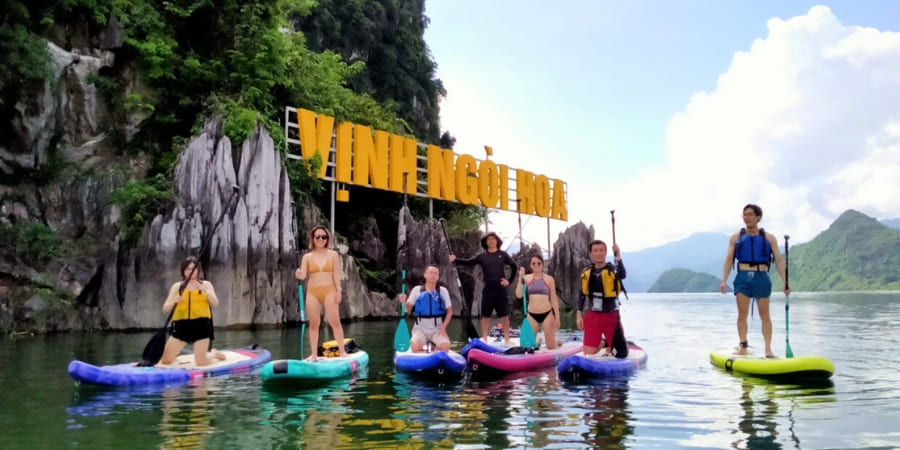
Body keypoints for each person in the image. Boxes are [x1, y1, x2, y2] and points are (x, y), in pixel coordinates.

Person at [719, 204, 789, 358]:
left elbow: (778, 260)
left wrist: (785, 282)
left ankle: (768, 350)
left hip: (761, 277)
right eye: (744, 214)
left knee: (765, 314)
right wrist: (724, 280)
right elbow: (729, 259)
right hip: (743, 277)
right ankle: (743, 346)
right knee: (742, 314)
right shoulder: (735, 238)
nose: (746, 217)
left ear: (758, 217)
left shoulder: (769, 238)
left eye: (750, 214)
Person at [449, 231, 518, 345]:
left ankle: (507, 339)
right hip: (488, 289)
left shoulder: (503, 254)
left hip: (500, 289)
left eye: (493, 239)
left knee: (504, 315)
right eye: (488, 239)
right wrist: (455, 260)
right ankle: (485, 339)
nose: (491, 241)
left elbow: (514, 267)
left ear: (497, 241)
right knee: (485, 315)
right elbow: (469, 262)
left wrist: (509, 281)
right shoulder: (482, 256)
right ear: (486, 242)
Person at [160, 256, 226, 366]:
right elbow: (165, 308)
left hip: (201, 326)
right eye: (187, 269)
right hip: (181, 327)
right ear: (183, 271)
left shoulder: (206, 285)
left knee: (201, 363)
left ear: (198, 270)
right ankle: (175, 355)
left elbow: (215, 303)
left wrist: (206, 291)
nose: (190, 271)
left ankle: (213, 354)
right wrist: (174, 301)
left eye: (193, 268)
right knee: (165, 361)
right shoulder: (177, 287)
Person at [296, 226, 347, 360]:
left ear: (327, 239)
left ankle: (342, 351)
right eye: (317, 236)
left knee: (334, 321)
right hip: (313, 292)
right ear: (313, 238)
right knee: (314, 324)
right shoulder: (307, 257)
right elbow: (303, 275)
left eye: (323, 237)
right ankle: (314, 354)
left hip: (329, 290)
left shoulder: (333, 255)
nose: (320, 239)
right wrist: (299, 274)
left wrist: (339, 290)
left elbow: (336, 274)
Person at [576, 240, 629, 358]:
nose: (598, 253)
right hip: (593, 315)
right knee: (588, 353)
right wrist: (579, 314)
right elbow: (582, 294)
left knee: (621, 354)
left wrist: (618, 255)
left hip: (611, 315)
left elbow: (623, 275)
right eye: (595, 251)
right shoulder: (586, 272)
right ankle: (604, 343)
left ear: (605, 252)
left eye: (601, 250)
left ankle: (611, 344)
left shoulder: (613, 269)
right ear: (591, 254)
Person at [398, 264, 453, 352]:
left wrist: (443, 328)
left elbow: (449, 312)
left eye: (436, 273)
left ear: (438, 277)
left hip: (437, 328)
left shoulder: (443, 291)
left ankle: (432, 346)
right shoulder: (417, 290)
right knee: (415, 347)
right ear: (425, 275)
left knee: (445, 347)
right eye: (431, 272)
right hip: (420, 328)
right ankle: (427, 345)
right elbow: (406, 309)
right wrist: (403, 302)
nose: (433, 275)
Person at [516, 255, 561, 349]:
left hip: (547, 314)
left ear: (542, 265)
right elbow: (519, 295)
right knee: (529, 346)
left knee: (551, 347)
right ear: (530, 266)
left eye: (539, 263)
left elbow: (553, 298)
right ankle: (538, 340)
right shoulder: (527, 278)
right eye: (533, 263)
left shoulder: (549, 279)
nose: (536, 265)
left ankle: (555, 341)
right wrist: (520, 279)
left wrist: (557, 317)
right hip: (531, 314)